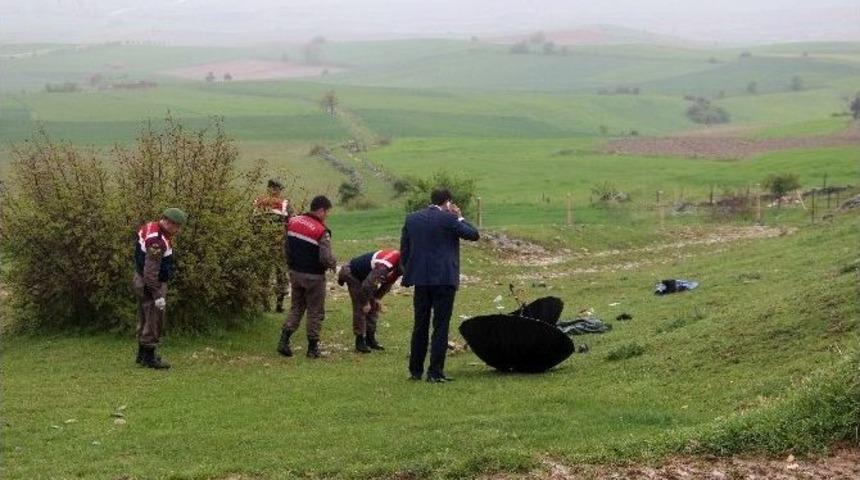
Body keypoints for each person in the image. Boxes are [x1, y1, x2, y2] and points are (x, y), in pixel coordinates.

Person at [400, 188, 479, 383]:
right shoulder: (449, 219)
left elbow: (405, 250)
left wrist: (410, 271)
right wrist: (459, 217)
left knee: (420, 325)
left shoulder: (412, 219)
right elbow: (473, 234)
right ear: (448, 202)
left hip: (420, 279)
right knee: (440, 326)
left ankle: (415, 370)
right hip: (444, 278)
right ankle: (435, 371)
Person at [277, 195, 336, 359]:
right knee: (315, 311)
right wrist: (332, 264)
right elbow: (325, 258)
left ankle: (284, 341)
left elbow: (286, 248)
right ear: (321, 210)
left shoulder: (293, 222)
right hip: (314, 277)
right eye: (327, 212)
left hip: (295, 273)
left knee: (296, 307)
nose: (327, 216)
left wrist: (291, 265)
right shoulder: (321, 231)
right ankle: (312, 348)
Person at [133, 207, 187, 369]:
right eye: (177, 226)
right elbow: (150, 273)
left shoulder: (150, 226)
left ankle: (141, 355)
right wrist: (158, 295)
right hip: (151, 283)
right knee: (154, 319)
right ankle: (149, 358)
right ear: (169, 223)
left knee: (144, 317)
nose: (178, 230)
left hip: (140, 278)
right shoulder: (157, 241)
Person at [337, 249, 402, 353]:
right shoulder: (384, 266)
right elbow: (367, 286)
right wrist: (365, 302)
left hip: (367, 277)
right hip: (352, 274)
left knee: (374, 305)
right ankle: (359, 341)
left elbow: (388, 283)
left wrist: (377, 298)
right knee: (361, 308)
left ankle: (370, 339)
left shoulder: (400, 264)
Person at [254, 178, 291, 312]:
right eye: (279, 189)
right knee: (281, 274)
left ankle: (265, 305)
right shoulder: (284, 204)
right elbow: (291, 223)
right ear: (276, 189)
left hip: (262, 245)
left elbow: (252, 224)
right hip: (279, 245)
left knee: (263, 275)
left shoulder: (258, 202)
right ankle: (279, 306)